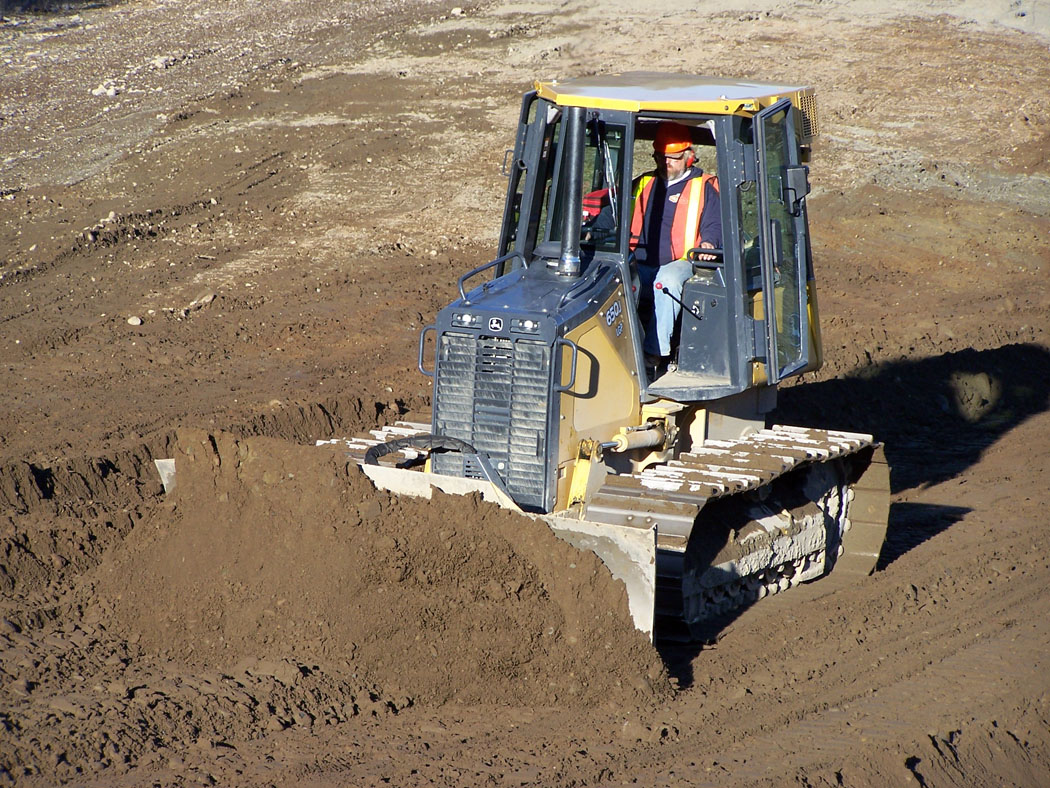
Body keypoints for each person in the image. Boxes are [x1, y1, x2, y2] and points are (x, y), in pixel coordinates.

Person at [629, 121, 721, 378]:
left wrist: (709, 243)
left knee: (665, 282)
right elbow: (615, 211)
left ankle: (654, 352)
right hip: (641, 260)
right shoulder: (644, 183)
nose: (666, 162)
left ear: (689, 156)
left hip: (681, 260)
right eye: (661, 157)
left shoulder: (704, 186)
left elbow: (715, 223)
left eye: (674, 158)